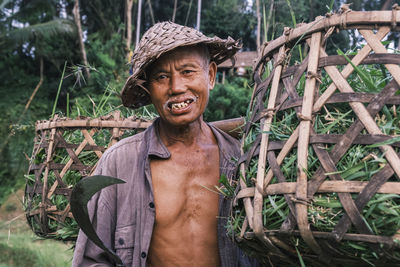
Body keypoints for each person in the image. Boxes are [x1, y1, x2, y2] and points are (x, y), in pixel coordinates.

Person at [72, 21, 258, 267]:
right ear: (148, 90)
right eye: (161, 77)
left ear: (211, 75)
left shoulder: (242, 160)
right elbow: (91, 260)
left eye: (188, 71)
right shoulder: (120, 162)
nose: (177, 87)